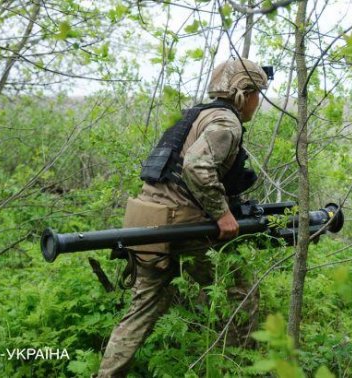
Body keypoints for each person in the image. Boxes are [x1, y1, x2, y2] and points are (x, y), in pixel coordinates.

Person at [97, 58, 269, 377]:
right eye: (257, 93)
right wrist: (222, 215)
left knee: (142, 310)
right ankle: (239, 368)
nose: (258, 102)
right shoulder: (225, 123)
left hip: (146, 219)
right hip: (181, 223)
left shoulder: (195, 115)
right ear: (243, 93)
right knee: (239, 292)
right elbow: (196, 166)